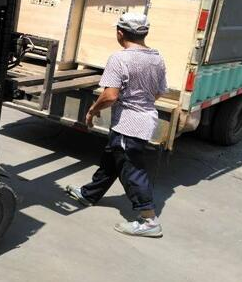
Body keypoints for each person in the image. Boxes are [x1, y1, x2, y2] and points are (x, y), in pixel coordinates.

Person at [66, 12, 167, 237]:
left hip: (129, 125)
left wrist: (92, 110)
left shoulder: (120, 59)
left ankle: (149, 220)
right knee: (111, 159)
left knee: (132, 170)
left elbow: (110, 96)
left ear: (120, 33)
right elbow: (159, 92)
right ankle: (89, 194)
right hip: (144, 119)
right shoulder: (157, 58)